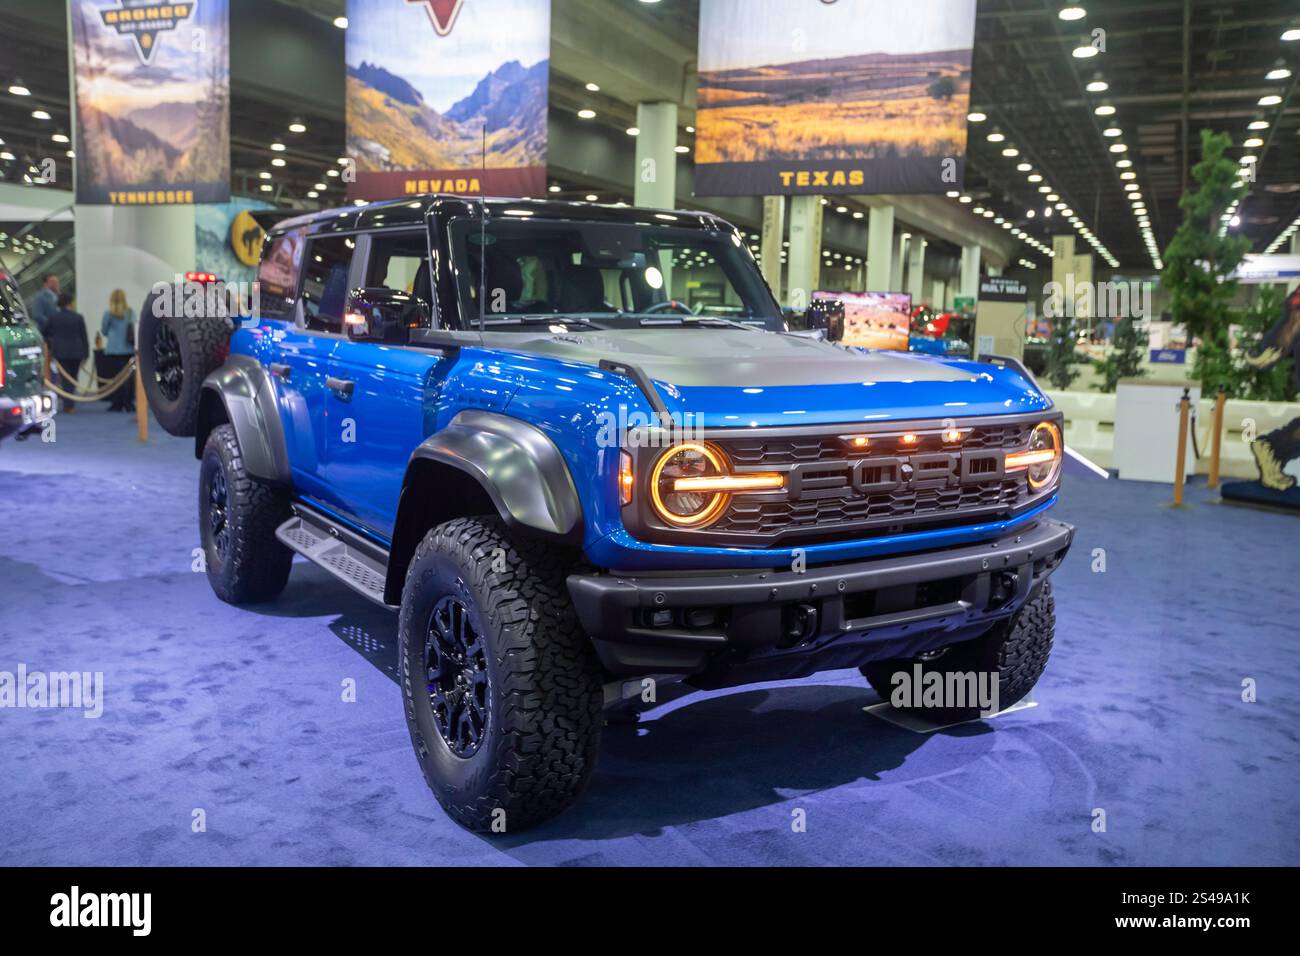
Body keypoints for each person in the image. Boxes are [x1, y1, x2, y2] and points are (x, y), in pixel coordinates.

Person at [43, 292, 88, 414]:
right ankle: (70, 403)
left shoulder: (53, 317)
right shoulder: (78, 317)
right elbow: (84, 337)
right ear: (70, 303)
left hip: (60, 352)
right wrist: (86, 353)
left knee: (65, 379)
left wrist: (51, 342)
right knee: (73, 378)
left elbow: (44, 332)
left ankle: (69, 404)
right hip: (77, 352)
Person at [100, 288, 136, 412]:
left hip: (113, 350)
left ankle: (117, 403)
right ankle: (128, 403)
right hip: (128, 349)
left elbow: (104, 331)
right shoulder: (130, 312)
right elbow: (135, 329)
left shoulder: (108, 314)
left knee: (115, 378)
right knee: (128, 378)